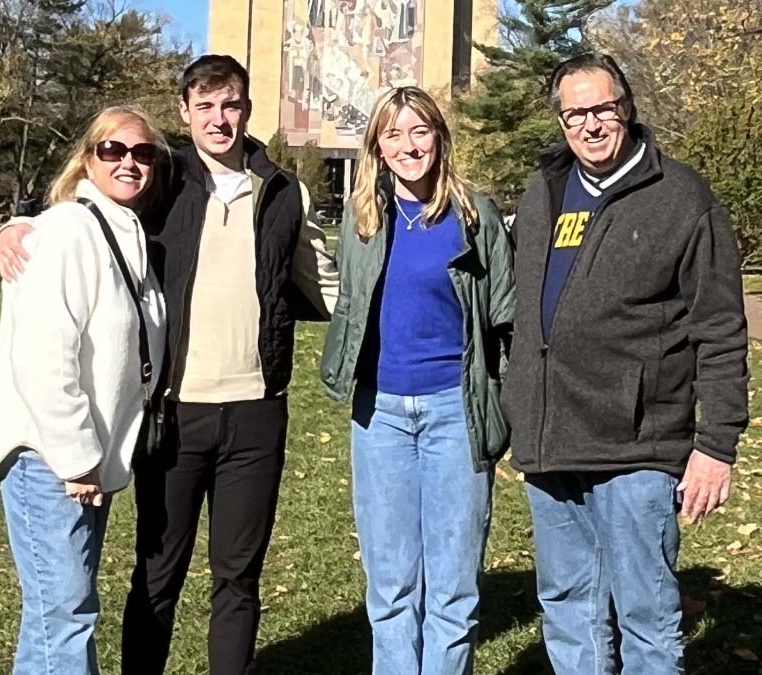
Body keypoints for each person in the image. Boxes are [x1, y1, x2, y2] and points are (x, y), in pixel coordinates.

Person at [0, 54, 337, 674]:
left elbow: (326, 286)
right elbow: (90, 201)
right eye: (203, 106)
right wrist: (18, 226)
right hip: (174, 415)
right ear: (185, 113)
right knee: (157, 576)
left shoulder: (285, 192)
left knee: (238, 578)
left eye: (229, 104)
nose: (218, 119)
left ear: (247, 108)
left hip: (257, 414)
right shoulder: (164, 178)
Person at [500, 53, 748, 674]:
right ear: (560, 121)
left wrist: (716, 445)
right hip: (552, 440)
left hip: (637, 445)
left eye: (602, 108)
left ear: (627, 107)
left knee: (645, 615)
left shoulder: (681, 198)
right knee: (566, 603)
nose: (589, 124)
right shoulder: (544, 189)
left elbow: (719, 328)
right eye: (574, 113)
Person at [320, 86, 514, 674]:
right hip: (378, 417)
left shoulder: (473, 216)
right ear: (377, 146)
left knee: (453, 590)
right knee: (391, 588)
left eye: (419, 131)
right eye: (394, 134)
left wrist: (499, 400)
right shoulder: (363, 221)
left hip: (454, 413)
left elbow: (505, 317)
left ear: (439, 137)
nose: (409, 146)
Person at [0, 105, 168, 674]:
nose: (128, 162)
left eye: (142, 153)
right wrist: (77, 459)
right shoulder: (65, 231)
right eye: (113, 150)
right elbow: (43, 360)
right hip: (51, 460)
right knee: (65, 617)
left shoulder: (123, 228)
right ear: (88, 158)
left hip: (88, 461)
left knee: (54, 617)